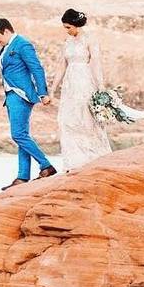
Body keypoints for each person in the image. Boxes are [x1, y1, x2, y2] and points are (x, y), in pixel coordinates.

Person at [0, 18, 57, 190]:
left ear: (6, 31)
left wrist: (43, 93)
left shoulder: (22, 44)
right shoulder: (5, 48)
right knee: (22, 135)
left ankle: (46, 166)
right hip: (10, 95)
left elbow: (36, 68)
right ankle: (22, 176)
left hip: (21, 94)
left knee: (18, 134)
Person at [50, 9, 112, 171]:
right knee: (68, 119)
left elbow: (96, 63)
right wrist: (53, 89)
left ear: (76, 25)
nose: (67, 30)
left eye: (69, 27)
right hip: (70, 84)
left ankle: (93, 157)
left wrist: (100, 86)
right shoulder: (67, 42)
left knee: (85, 118)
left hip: (84, 81)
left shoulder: (90, 40)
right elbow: (61, 66)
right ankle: (74, 161)